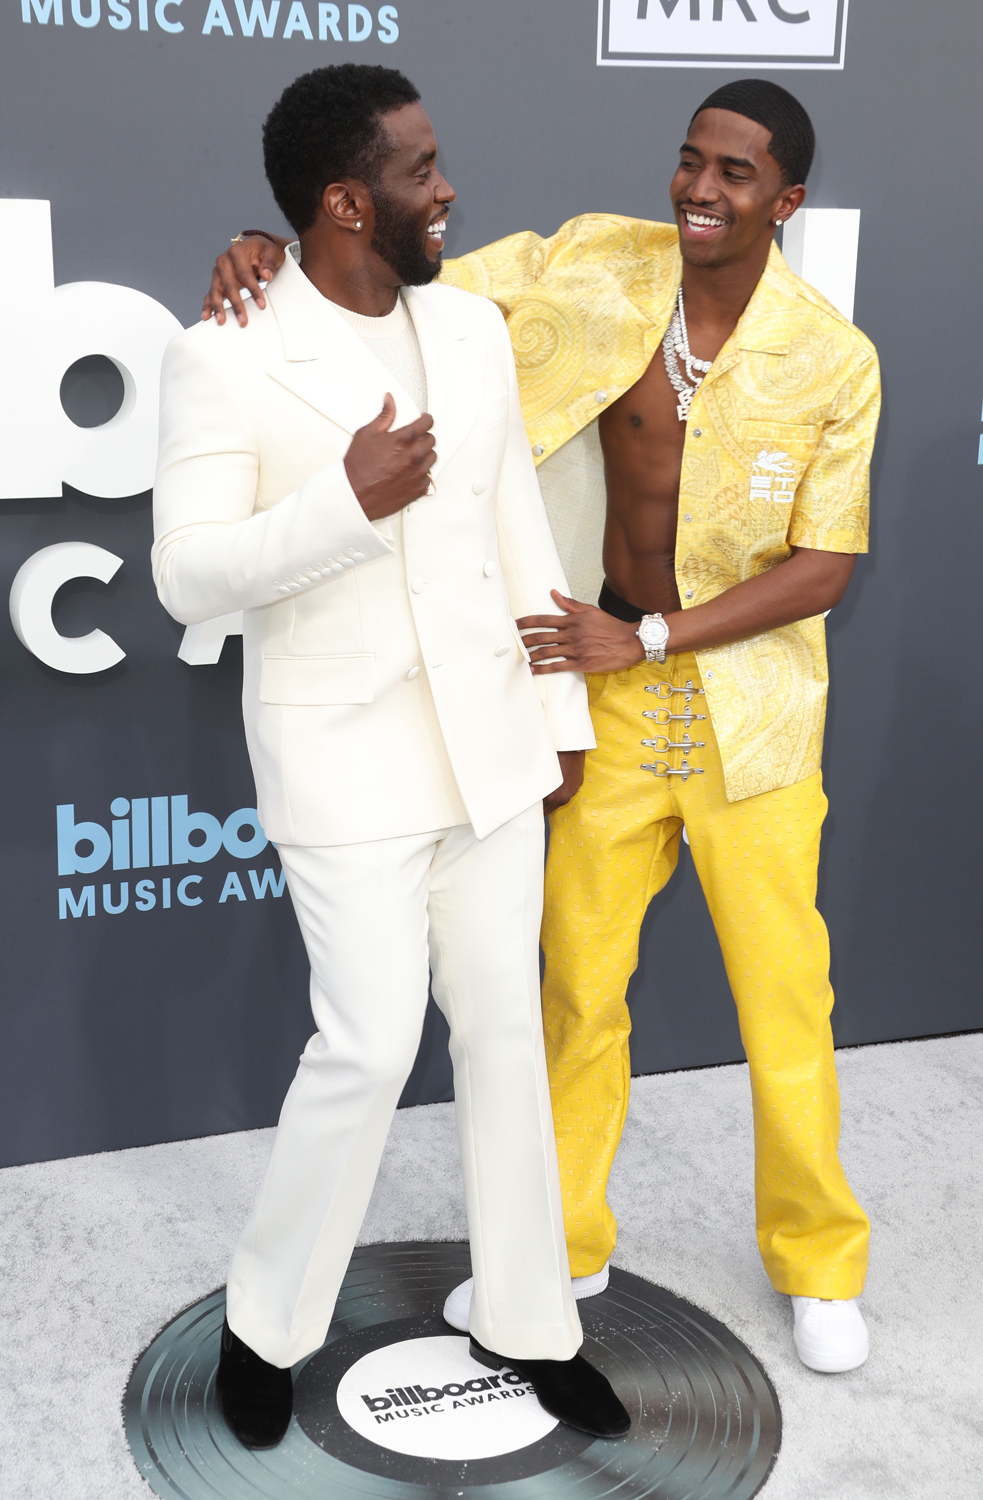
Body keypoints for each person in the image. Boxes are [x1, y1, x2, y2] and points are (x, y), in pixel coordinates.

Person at [204, 79, 880, 1376]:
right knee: (573, 994)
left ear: (787, 202)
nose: (700, 189)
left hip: (753, 714)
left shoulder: (835, 359)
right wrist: (276, 256)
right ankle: (562, 1248)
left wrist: (665, 637)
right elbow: (399, 287)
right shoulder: (586, 260)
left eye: (737, 174)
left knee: (786, 1002)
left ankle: (820, 1263)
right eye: (690, 161)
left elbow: (828, 564)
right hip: (603, 689)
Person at [154, 63, 631, 1450]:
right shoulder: (225, 350)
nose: (451, 185)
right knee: (366, 1046)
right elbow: (186, 578)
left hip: (488, 750)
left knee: (503, 1041)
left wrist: (556, 728)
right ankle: (267, 1324)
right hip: (344, 760)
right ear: (348, 200)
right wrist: (340, 504)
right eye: (424, 169)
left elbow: (513, 535)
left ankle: (532, 1324)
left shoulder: (471, 326)